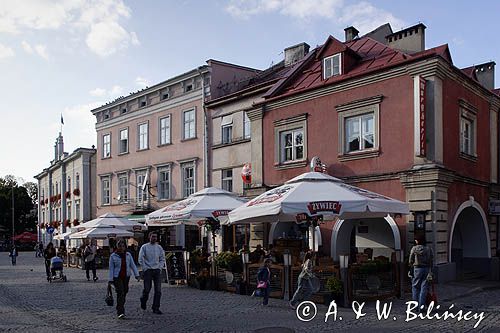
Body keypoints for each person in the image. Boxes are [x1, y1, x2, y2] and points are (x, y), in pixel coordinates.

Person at [109, 239, 140, 319]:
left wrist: (137, 275)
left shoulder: (128, 255)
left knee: (125, 291)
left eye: (123, 246)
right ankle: (120, 311)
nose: (121, 248)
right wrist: (110, 279)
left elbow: (133, 265)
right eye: (120, 246)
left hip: (126, 276)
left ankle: (119, 305)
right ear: (117, 246)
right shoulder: (113, 256)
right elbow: (111, 268)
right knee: (121, 292)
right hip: (117, 276)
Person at [138, 232, 165, 314]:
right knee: (147, 289)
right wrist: (145, 268)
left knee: (158, 290)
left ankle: (156, 307)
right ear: (149, 237)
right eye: (153, 237)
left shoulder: (159, 247)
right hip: (148, 270)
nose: (154, 238)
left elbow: (162, 258)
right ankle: (143, 299)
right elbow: (140, 258)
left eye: (155, 237)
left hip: (157, 270)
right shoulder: (144, 247)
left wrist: (160, 267)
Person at [408, 236, 434, 312]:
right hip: (426, 269)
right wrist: (430, 270)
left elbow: (410, 261)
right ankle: (421, 307)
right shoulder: (428, 249)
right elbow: (431, 260)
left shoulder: (414, 248)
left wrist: (411, 267)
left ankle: (415, 307)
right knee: (424, 288)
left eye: (416, 240)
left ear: (418, 241)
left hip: (417, 269)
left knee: (415, 287)